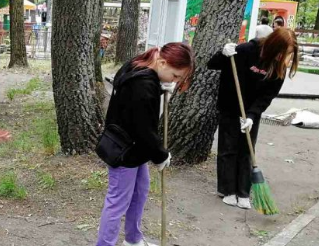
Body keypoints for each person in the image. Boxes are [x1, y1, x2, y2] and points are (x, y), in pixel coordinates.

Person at [96, 43, 195, 246]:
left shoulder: (139, 65)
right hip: (125, 149)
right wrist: (160, 154)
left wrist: (160, 89)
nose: (174, 82)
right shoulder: (143, 84)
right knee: (117, 202)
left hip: (134, 147)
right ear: (162, 62)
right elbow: (143, 128)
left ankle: (133, 239)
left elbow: (136, 105)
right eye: (175, 76)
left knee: (140, 191)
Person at [208, 28, 298, 209]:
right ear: (273, 46)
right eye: (284, 52)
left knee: (247, 149)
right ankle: (227, 190)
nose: (285, 57)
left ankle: (243, 192)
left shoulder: (278, 66)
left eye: (289, 54)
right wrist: (223, 54)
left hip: (251, 112)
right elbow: (212, 64)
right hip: (230, 108)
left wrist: (252, 115)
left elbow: (267, 96)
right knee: (228, 148)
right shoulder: (245, 50)